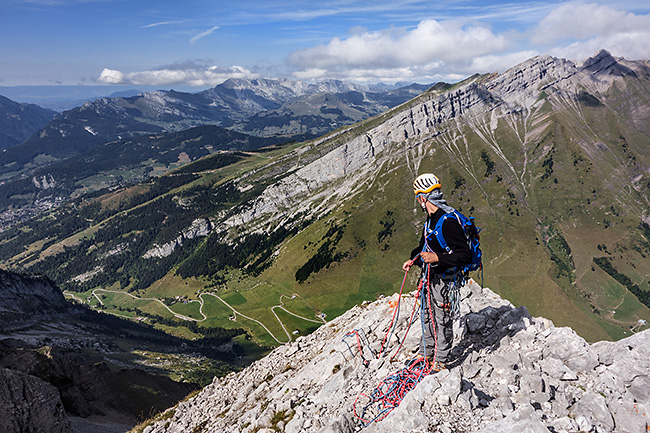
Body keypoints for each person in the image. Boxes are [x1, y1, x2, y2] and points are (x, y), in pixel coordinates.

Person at [402, 173, 472, 372]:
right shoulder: (431, 220)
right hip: (429, 276)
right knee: (425, 313)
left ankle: (441, 360)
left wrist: (438, 259)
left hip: (444, 280)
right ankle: (426, 352)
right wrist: (413, 258)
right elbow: (424, 245)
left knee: (442, 318)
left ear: (423, 198)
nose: (418, 202)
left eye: (418, 198)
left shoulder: (448, 222)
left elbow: (464, 255)